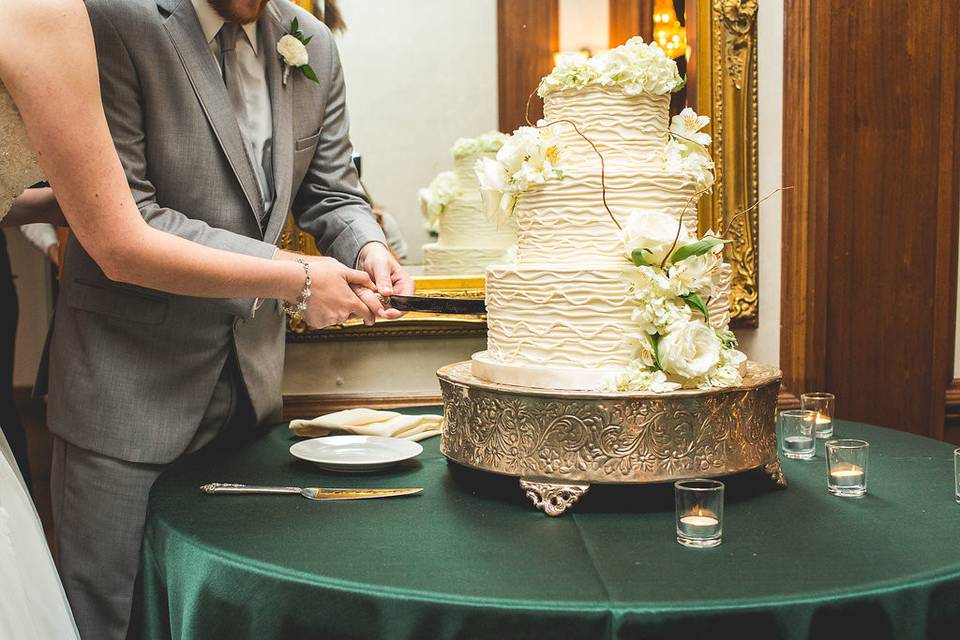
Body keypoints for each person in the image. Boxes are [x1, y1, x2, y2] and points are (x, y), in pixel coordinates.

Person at [0, 0, 411, 637]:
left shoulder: (314, 45)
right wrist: (298, 279)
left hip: (250, 391)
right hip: (125, 390)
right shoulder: (112, 24)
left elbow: (331, 189)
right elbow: (131, 221)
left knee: (227, 612)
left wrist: (366, 245)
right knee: (112, 617)